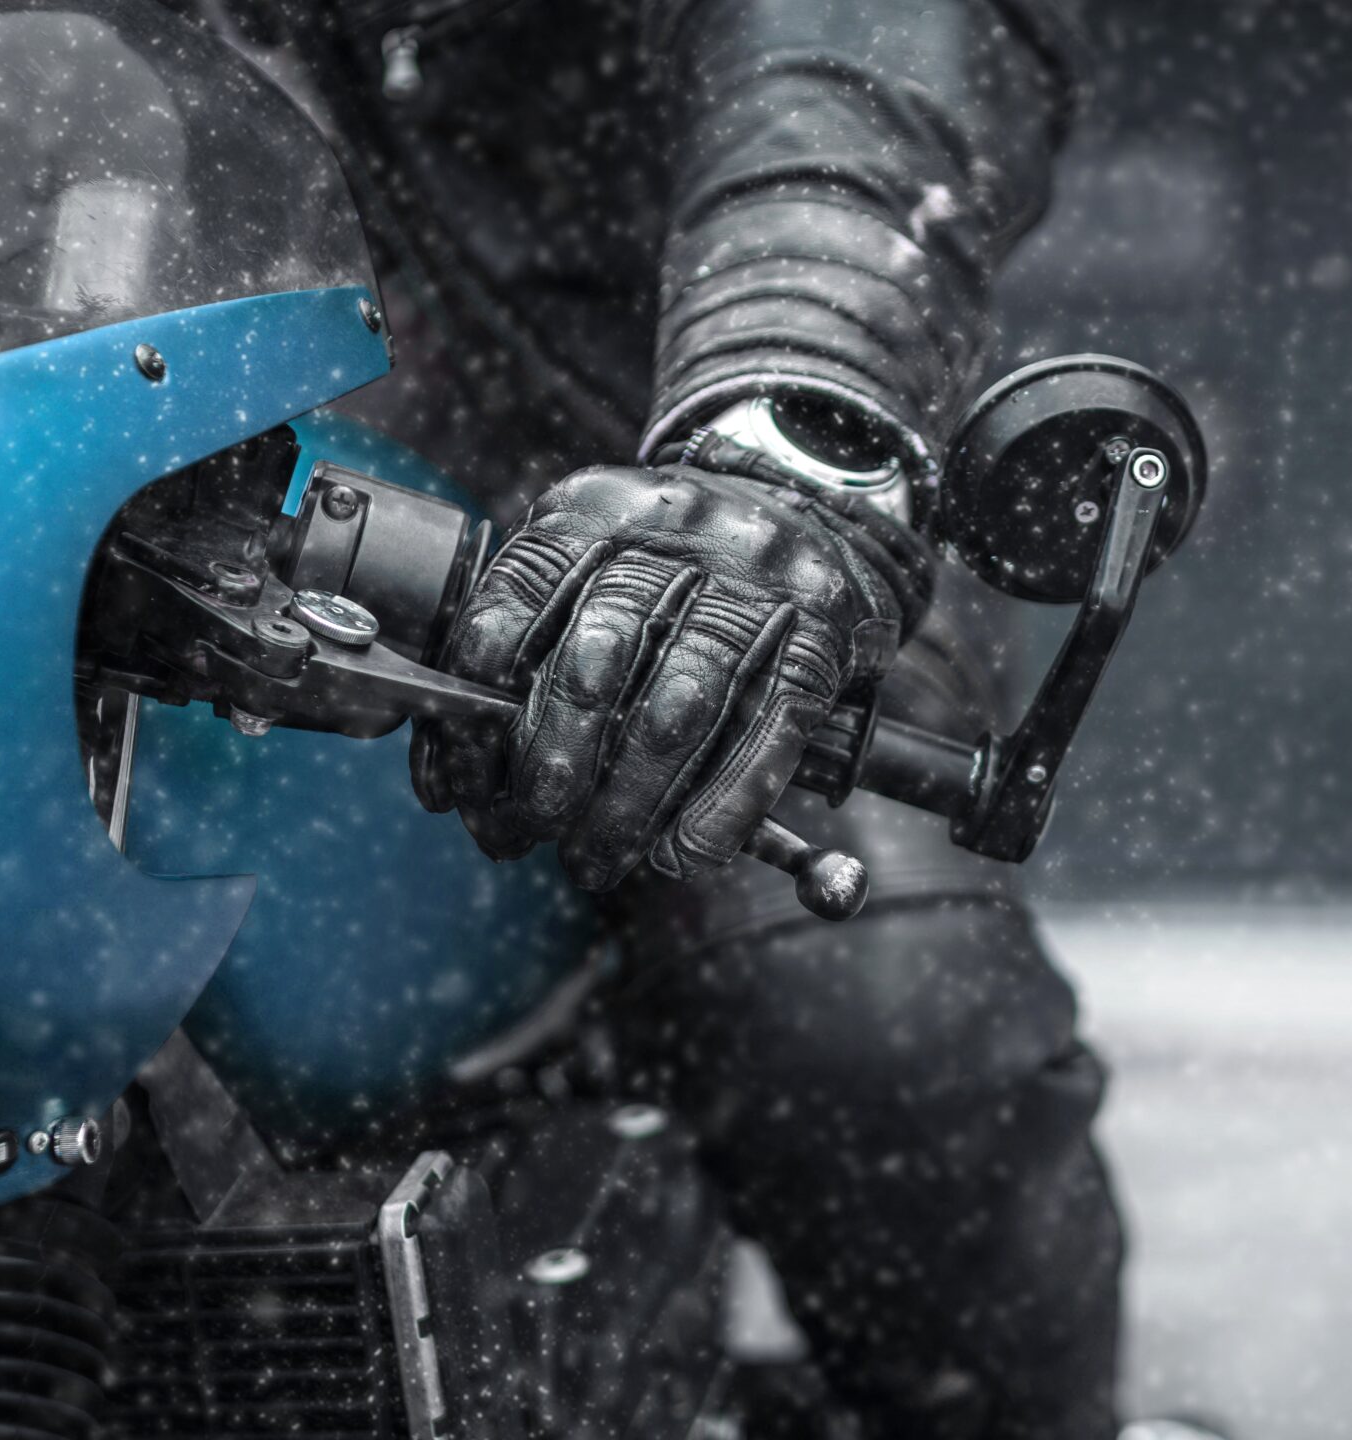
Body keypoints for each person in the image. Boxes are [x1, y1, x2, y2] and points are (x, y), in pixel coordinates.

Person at [189, 2, 1178, 1436]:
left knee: (875, 1026)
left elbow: (857, 64)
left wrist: (789, 433)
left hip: (668, 536)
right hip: (136, 539)